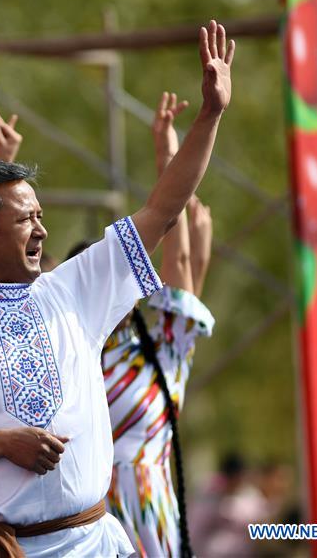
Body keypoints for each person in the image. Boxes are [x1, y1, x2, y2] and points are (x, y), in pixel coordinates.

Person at [0, 20, 234, 557]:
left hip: (93, 543)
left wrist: (210, 115)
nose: (42, 231)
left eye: (41, 216)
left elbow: (162, 210)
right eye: (25, 220)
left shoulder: (73, 291)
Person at [101, 92, 215, 558]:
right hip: (88, 516)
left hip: (150, 516)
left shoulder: (164, 349)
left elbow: (182, 264)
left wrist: (168, 155)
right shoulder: (75, 354)